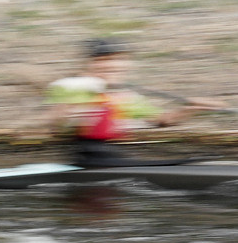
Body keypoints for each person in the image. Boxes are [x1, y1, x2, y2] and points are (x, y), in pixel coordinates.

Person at [45, 39, 226, 168]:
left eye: (118, 60)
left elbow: (164, 120)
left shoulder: (126, 96)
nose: (112, 65)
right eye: (103, 60)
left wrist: (191, 108)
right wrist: (72, 108)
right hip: (87, 158)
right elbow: (56, 127)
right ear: (88, 65)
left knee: (194, 160)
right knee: (190, 162)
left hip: (111, 156)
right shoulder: (73, 86)